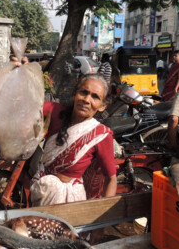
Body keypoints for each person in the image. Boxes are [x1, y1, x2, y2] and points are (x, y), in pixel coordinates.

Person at [30, 74, 117, 206]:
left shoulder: (101, 135)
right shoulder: (55, 112)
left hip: (69, 202)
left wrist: (102, 215)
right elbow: (28, 105)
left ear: (102, 105)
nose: (87, 100)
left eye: (95, 97)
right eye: (84, 92)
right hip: (40, 190)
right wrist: (23, 72)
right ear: (74, 94)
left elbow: (111, 179)